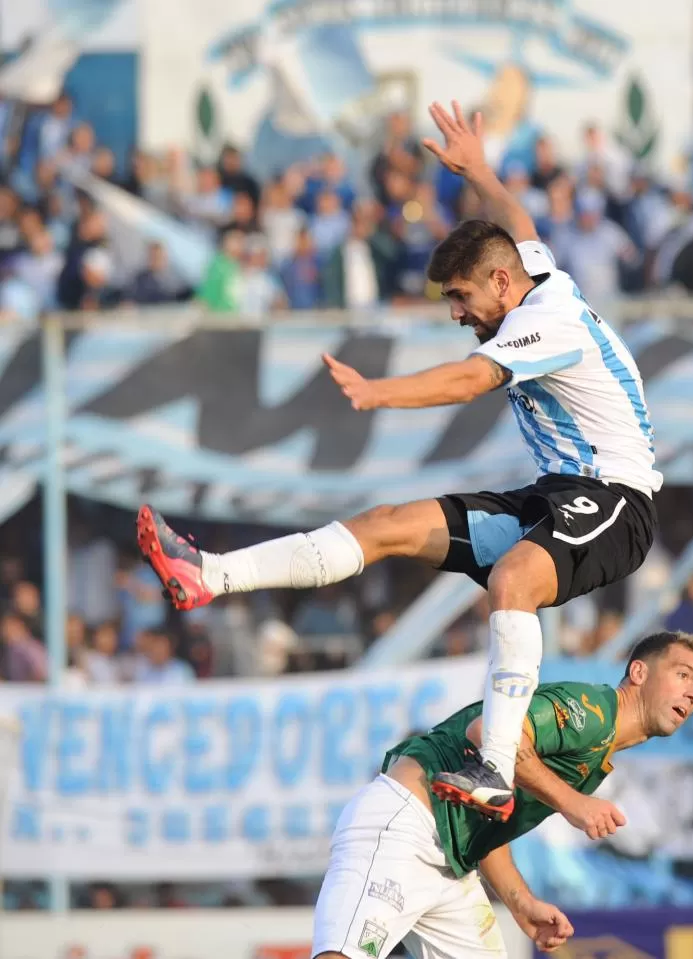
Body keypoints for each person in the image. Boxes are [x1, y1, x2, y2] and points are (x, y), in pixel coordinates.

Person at [136, 101, 660, 822]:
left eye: (462, 296)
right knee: (386, 525)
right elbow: (521, 223)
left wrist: (379, 393)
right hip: (560, 494)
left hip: (616, 503)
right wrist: (477, 168)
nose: (456, 311)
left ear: (501, 286)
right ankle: (209, 574)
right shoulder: (533, 273)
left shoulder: (549, 322)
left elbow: (468, 380)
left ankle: (495, 770)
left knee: (512, 579)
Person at [313, 630, 693, 959]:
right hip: (407, 823)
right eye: (683, 674)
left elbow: (489, 815)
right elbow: (487, 732)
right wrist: (572, 802)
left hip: (451, 859)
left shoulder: (598, 753)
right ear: (639, 672)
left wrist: (521, 901)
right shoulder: (593, 711)